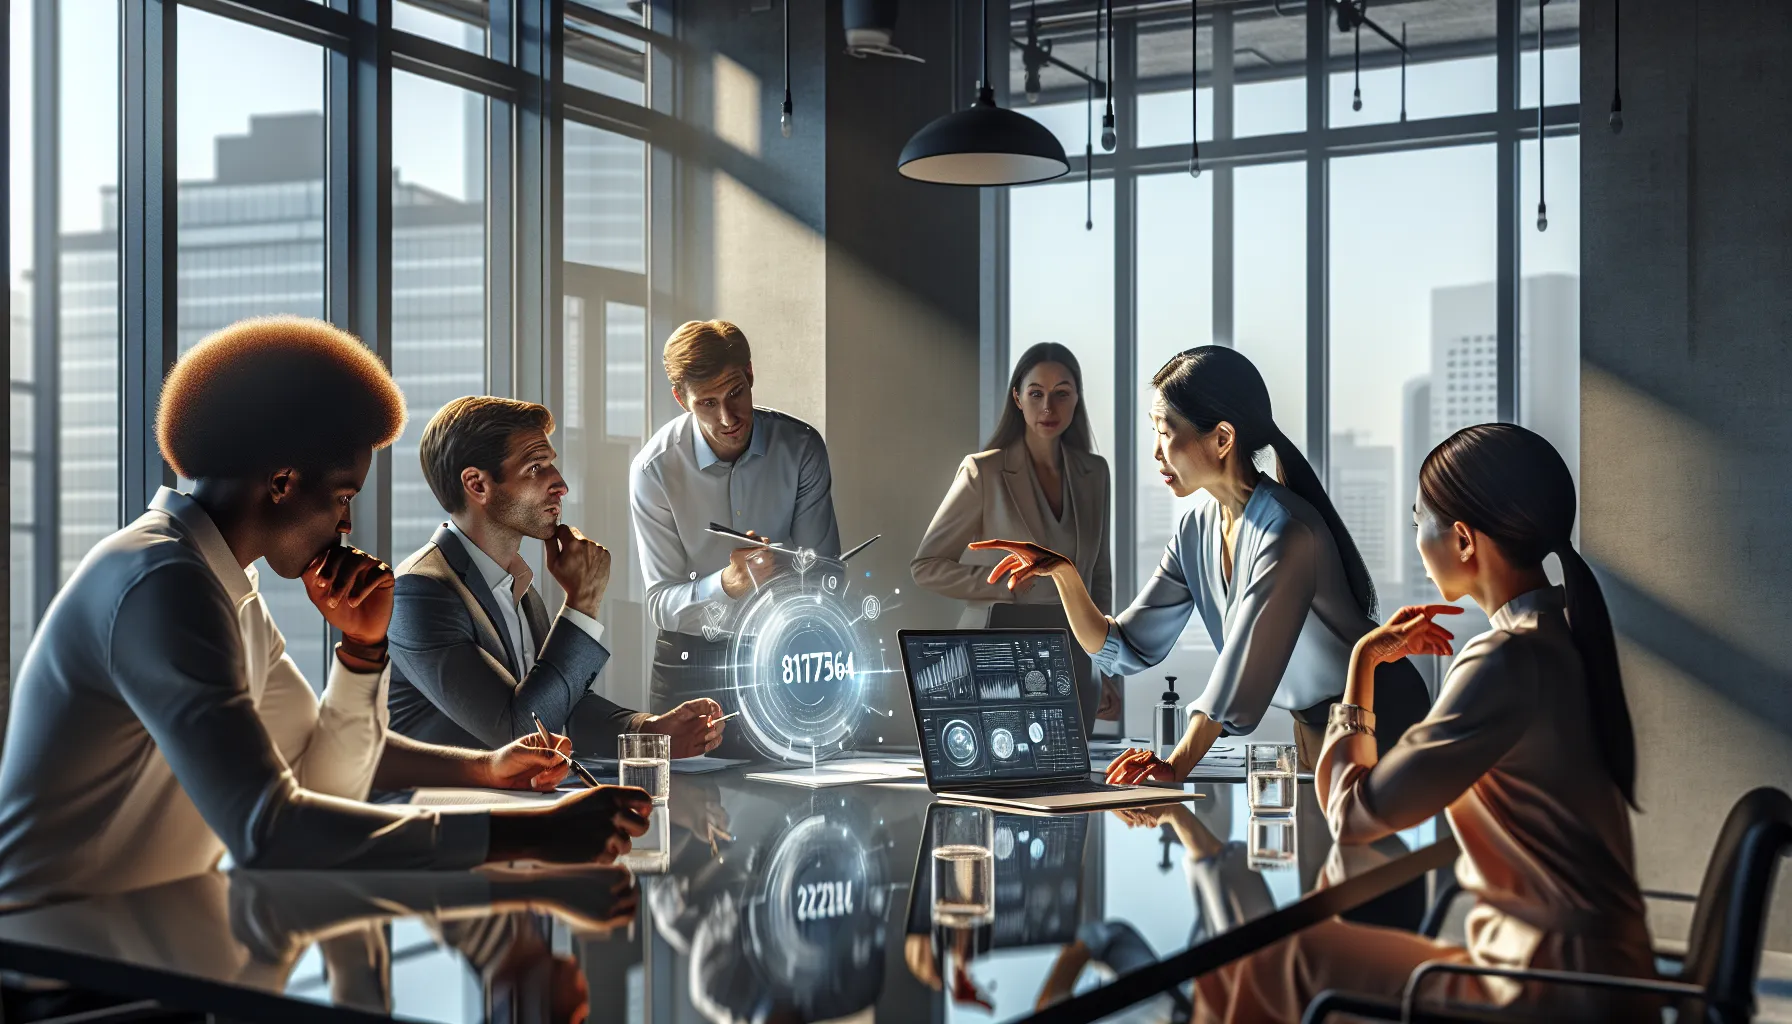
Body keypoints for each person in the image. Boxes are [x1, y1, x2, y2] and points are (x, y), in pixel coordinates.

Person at [0, 317, 651, 910]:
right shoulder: (163, 584)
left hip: (142, 935)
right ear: (282, 483)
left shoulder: (225, 585)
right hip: (52, 953)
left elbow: (322, 768)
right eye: (342, 497)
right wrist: (531, 832)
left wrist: (370, 660)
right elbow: (268, 831)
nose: (346, 526)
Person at [1189, 423, 1654, 1021]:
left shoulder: (1506, 660)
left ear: (1462, 539)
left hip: (1544, 985)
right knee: (1249, 962)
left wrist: (1364, 661)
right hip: (1586, 968)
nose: (1416, 539)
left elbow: (1353, 816)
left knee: (1272, 956)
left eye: (1418, 522)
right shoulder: (1553, 636)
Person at [972, 346, 1430, 780]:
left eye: (1165, 432)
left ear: (1222, 439)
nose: (1156, 452)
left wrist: (1175, 765)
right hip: (1314, 722)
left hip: (1382, 712)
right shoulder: (1196, 530)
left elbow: (1239, 672)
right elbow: (1126, 645)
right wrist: (1064, 574)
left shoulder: (1288, 532)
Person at [386, 396, 725, 759]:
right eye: (535, 467)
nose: (560, 484)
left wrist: (650, 731)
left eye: (551, 465)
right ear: (477, 485)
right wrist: (581, 603)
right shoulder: (419, 592)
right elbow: (519, 734)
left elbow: (557, 702)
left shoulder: (518, 586)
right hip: (445, 797)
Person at [629, 320, 841, 755]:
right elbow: (660, 603)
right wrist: (727, 585)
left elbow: (829, 577)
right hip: (691, 665)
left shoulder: (801, 447)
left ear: (750, 374)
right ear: (681, 399)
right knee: (686, 796)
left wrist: (790, 574)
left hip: (787, 656)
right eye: (707, 403)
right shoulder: (654, 470)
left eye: (735, 393)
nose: (728, 418)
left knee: (802, 790)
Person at [911, 343, 1121, 729]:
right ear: (1017, 399)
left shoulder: (1095, 473)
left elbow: (1099, 578)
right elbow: (925, 566)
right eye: (1036, 394)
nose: (1048, 408)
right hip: (998, 645)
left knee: (1071, 764)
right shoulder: (983, 472)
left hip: (1074, 654)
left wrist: (1107, 667)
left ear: (1077, 399)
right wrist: (1002, 583)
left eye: (1061, 394)